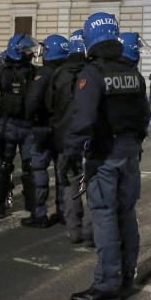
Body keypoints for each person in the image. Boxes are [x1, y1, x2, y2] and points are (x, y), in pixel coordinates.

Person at [66, 13, 149, 300]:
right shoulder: (133, 73)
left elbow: (84, 118)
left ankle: (106, 285)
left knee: (104, 217)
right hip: (130, 153)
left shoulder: (93, 72)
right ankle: (127, 274)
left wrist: (71, 152)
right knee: (126, 214)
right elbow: (143, 116)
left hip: (104, 154)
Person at [0, 33, 38, 217]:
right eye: (27, 50)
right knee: (22, 166)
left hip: (13, 126)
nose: (31, 52)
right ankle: (30, 206)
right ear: (19, 51)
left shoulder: (6, 71)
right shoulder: (31, 72)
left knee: (9, 166)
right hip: (19, 126)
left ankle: (1, 206)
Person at [50, 30, 93, 243]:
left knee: (71, 183)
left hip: (66, 138)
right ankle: (91, 230)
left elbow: (50, 106)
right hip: (89, 137)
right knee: (93, 183)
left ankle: (74, 230)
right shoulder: (93, 71)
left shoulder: (60, 73)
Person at [24, 34, 69, 227]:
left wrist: (29, 118)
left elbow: (32, 101)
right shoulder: (69, 72)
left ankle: (40, 214)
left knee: (39, 170)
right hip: (64, 130)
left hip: (43, 127)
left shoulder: (44, 73)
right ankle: (63, 212)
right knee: (62, 173)